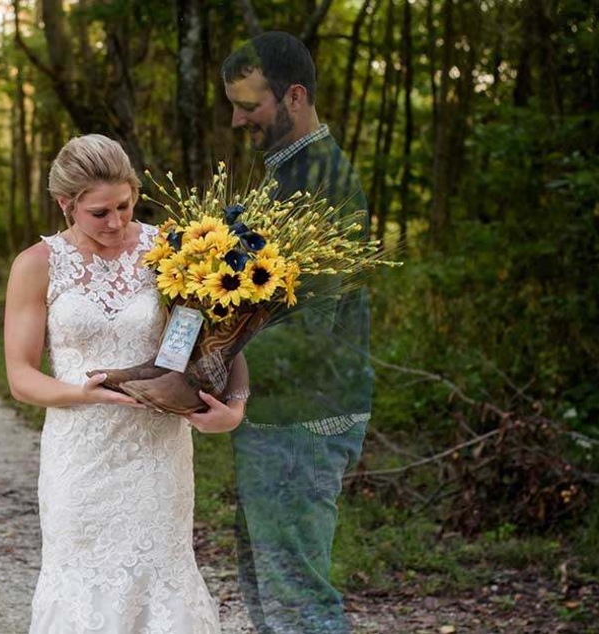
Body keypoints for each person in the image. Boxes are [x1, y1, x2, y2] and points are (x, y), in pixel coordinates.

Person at [3, 133, 248, 632]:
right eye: (99, 212)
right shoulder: (36, 266)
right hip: (79, 455)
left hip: (157, 453)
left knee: (160, 576)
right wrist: (81, 393)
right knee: (79, 583)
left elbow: (227, 336)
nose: (115, 222)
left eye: (124, 204)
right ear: (65, 204)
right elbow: (21, 377)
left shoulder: (173, 252)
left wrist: (235, 407)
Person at [221, 32, 373, 633]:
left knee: (298, 600)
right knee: (266, 592)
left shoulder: (322, 181)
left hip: (306, 415)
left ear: (295, 96)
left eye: (249, 105)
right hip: (275, 411)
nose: (237, 119)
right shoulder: (286, 174)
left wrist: (212, 367)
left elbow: (312, 325)